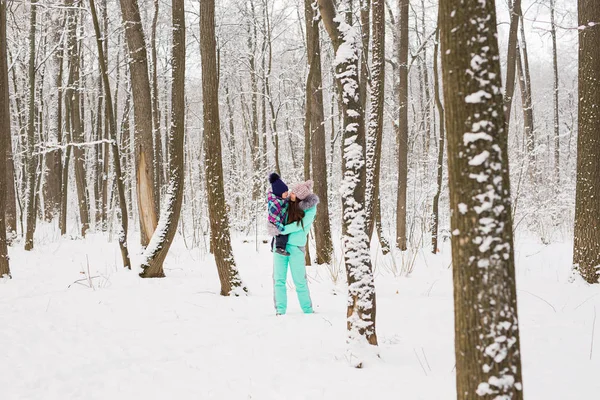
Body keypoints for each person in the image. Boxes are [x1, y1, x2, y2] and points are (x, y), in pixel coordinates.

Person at [272, 180, 319, 315]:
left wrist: (282, 229)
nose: (291, 193)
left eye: (294, 192)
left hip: (296, 247)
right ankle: (280, 310)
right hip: (280, 245)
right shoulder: (286, 203)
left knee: (300, 281)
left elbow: (300, 225)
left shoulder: (310, 208)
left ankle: (308, 310)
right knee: (279, 280)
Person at [267, 173, 291, 256]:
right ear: (279, 192)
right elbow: (273, 216)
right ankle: (279, 248)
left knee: (278, 236)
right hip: (275, 222)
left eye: (287, 192)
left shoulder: (280, 199)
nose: (287, 194)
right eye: (285, 192)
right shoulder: (275, 202)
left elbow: (286, 203)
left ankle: (273, 246)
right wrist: (278, 224)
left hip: (279, 221)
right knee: (281, 234)